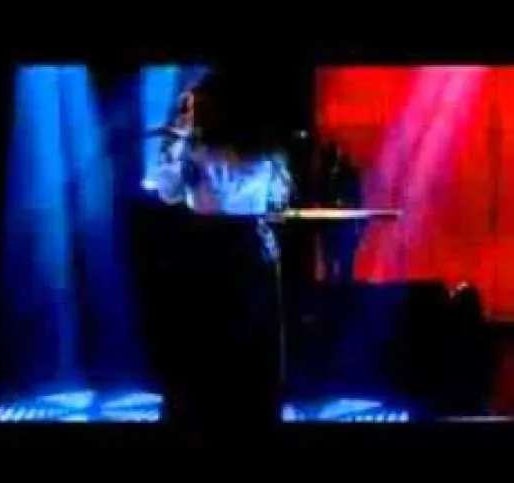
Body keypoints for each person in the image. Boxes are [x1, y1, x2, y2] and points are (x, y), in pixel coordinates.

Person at [146, 70, 292, 428]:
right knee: (247, 341)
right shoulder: (266, 149)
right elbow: (279, 200)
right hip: (249, 247)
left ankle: (203, 410)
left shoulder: (194, 151)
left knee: (206, 341)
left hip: (211, 249)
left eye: (191, 105)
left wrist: (175, 144)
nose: (187, 111)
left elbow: (167, 192)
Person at [320, 142, 363, 284]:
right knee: (329, 259)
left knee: (346, 261)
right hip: (328, 223)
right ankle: (331, 286)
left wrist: (358, 226)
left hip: (345, 223)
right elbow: (320, 196)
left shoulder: (350, 174)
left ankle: (346, 286)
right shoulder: (324, 174)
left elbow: (357, 199)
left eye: (337, 152)